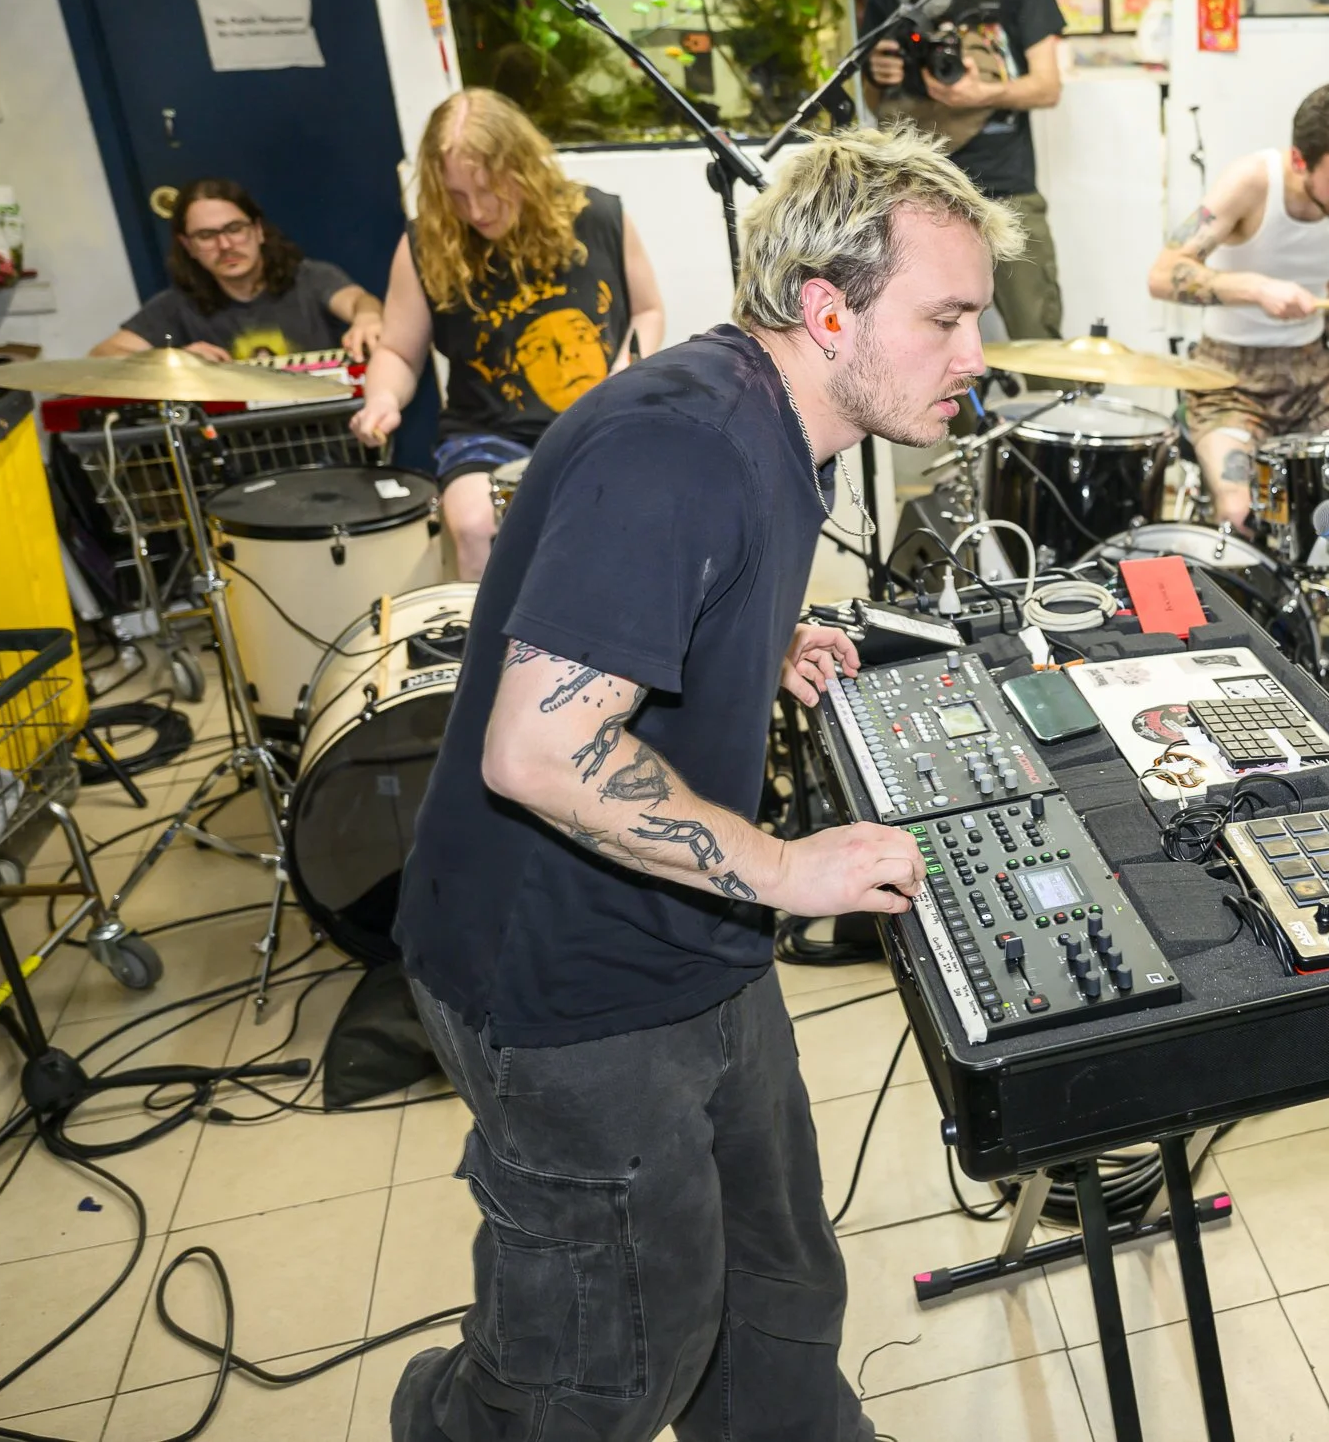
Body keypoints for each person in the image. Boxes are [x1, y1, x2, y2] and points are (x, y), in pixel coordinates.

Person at [388, 128, 1017, 1442]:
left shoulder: (792, 416)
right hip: (559, 982)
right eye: (947, 318)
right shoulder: (685, 449)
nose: (976, 354)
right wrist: (791, 869)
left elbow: (644, 593)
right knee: (605, 1367)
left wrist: (746, 634)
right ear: (828, 305)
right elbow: (537, 746)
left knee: (779, 1287)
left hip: (694, 935)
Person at [349, 88, 666, 581]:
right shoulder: (425, 243)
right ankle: (497, 657)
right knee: (476, 524)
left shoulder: (599, 216)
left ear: (522, 167)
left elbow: (646, 311)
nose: (476, 211)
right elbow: (397, 350)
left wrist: (627, 370)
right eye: (457, 195)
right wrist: (383, 398)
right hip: (489, 434)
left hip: (599, 423)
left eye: (490, 189)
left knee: (640, 520)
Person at [1146, 81, 1329, 532]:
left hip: (1314, 374)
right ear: (1299, 161)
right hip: (1229, 379)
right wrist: (1255, 288)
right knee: (1240, 512)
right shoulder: (1252, 181)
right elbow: (1162, 274)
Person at [865, 0, 1065, 343]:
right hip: (919, 191)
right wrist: (879, 71)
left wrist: (985, 92)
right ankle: (959, 426)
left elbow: (1047, 86)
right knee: (926, 347)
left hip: (1006, 185)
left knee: (1037, 337)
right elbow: (874, 99)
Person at [94, 178, 384, 363]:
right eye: (206, 236)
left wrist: (368, 317)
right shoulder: (177, 305)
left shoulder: (312, 278)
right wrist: (171, 359)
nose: (225, 245)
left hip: (328, 442)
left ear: (258, 231)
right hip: (232, 451)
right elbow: (101, 357)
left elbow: (359, 300)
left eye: (234, 229)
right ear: (188, 246)